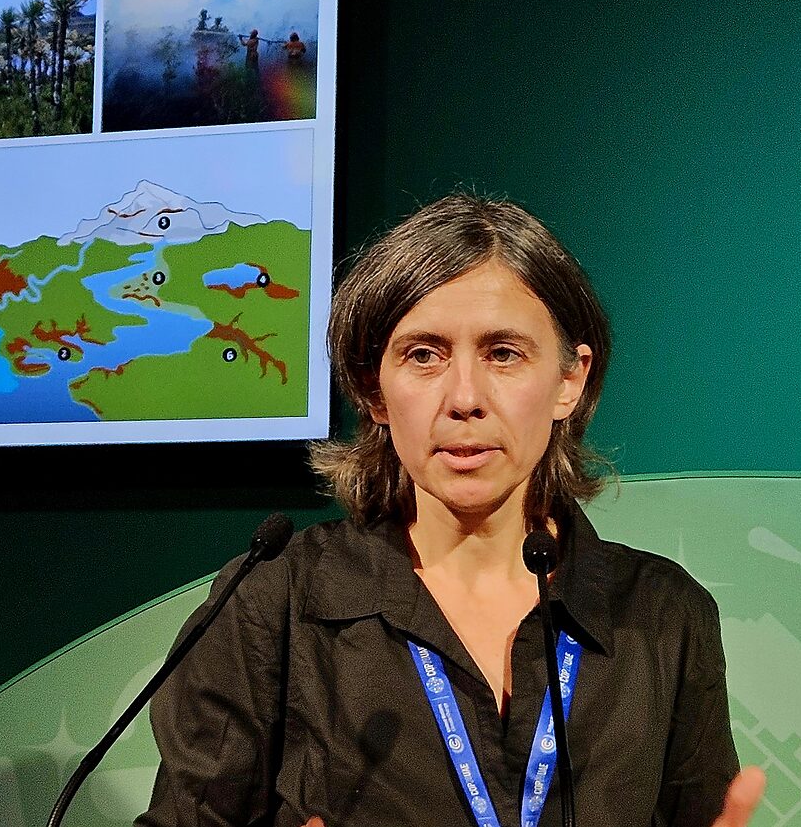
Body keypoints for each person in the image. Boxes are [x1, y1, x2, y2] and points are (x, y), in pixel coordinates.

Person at [139, 193, 766, 827]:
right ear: (371, 389)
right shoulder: (273, 603)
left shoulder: (663, 614)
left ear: (569, 381)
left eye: (504, 353)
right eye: (423, 355)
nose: (465, 398)